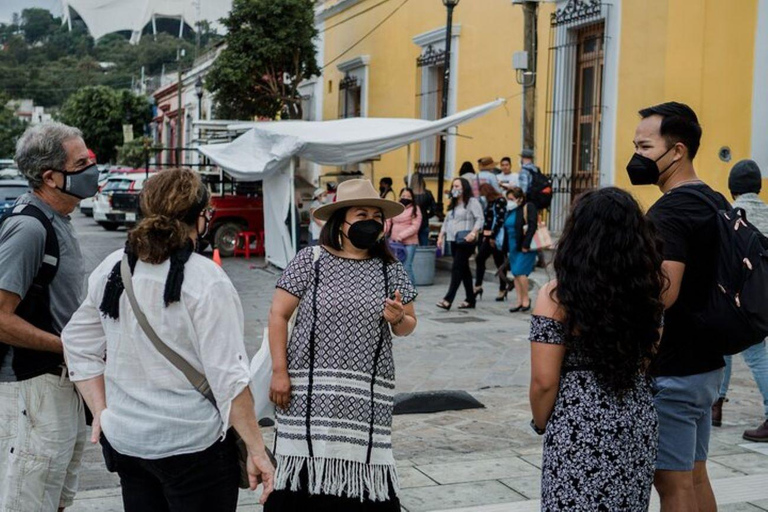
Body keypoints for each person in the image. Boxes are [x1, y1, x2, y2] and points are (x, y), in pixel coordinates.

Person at [61, 168, 275, 511]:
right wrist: (256, 449)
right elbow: (230, 382)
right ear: (201, 217)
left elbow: (76, 342)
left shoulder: (114, 267)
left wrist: (101, 411)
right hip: (191, 445)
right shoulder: (206, 281)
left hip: (128, 442)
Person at [266, 179, 417, 511]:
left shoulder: (389, 268)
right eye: (361, 213)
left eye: (377, 216)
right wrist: (279, 371)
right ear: (341, 220)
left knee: (362, 485)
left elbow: (408, 325)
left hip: (364, 395)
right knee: (302, 487)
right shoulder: (311, 261)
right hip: (307, 392)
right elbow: (278, 315)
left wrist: (396, 318)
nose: (370, 221)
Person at [530, 187, 663, 511]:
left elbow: (544, 381)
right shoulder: (648, 292)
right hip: (635, 413)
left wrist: (541, 422)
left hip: (579, 419)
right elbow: (648, 357)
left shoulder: (557, 296)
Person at [633, 102, 727, 511]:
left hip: (673, 367)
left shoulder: (670, 210)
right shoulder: (714, 199)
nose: (636, 156)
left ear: (677, 151)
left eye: (644, 146)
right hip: (707, 364)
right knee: (695, 475)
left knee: (672, 486)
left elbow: (663, 292)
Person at [0, 122, 96, 511]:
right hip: (34, 385)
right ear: (51, 178)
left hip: (62, 381)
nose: (92, 168)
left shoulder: (59, 221)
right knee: (31, 497)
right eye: (81, 162)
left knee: (56, 494)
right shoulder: (29, 228)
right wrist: (66, 346)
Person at [713, 159, 768, 440]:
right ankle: (717, 405)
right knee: (754, 354)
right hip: (765, 296)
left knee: (747, 352)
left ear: (732, 189)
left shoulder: (733, 216)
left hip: (743, 298)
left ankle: (716, 405)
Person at [436, 177, 483, 310]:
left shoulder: (472, 202)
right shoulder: (454, 204)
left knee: (457, 267)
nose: (454, 189)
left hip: (466, 239)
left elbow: (480, 218)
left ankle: (448, 299)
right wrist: (441, 236)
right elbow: (447, 221)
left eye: (457, 186)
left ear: (464, 187)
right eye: (453, 186)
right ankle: (470, 299)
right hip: (453, 239)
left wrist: (473, 232)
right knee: (464, 269)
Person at [504, 187, 538, 312]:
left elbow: (532, 226)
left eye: (512, 199)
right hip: (512, 245)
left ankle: (526, 299)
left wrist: (526, 244)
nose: (509, 202)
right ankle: (519, 300)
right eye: (508, 199)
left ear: (520, 199)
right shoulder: (511, 210)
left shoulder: (528, 207)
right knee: (515, 273)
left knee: (520, 271)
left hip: (524, 245)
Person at [474, 183, 507, 301]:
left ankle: (503, 288)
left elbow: (500, 219)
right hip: (487, 236)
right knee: (480, 258)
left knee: (499, 262)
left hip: (496, 237)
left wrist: (493, 236)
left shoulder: (500, 201)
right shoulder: (490, 202)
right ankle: (478, 286)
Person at [385, 187, 422, 286]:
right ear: (400, 196)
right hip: (395, 243)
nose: (406, 198)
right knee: (395, 266)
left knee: (406, 266)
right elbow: (388, 222)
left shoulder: (415, 209)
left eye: (409, 196)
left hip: (410, 243)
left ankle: (411, 291)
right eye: (404, 196)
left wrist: (401, 236)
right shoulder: (396, 208)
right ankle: (399, 290)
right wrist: (382, 231)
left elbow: (415, 226)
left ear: (413, 198)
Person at [409, 171, 436, 246]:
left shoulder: (409, 194)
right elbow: (434, 209)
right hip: (424, 222)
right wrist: (427, 215)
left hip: (410, 224)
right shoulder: (428, 193)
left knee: (411, 246)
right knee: (424, 246)